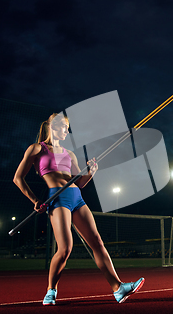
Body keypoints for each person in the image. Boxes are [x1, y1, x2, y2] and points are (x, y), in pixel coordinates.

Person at [13, 113, 144, 305]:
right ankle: (51, 290)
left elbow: (80, 183)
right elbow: (18, 178)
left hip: (77, 198)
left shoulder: (70, 154)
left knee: (97, 242)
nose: (68, 131)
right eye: (65, 127)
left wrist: (91, 172)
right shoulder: (36, 149)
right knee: (65, 248)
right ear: (54, 127)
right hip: (57, 199)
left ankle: (117, 288)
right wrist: (34, 200)